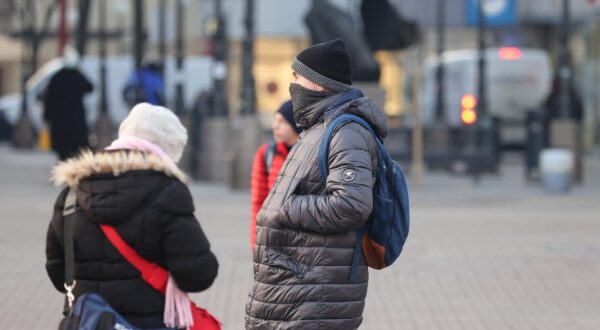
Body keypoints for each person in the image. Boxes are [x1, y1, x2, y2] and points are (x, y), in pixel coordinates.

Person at [245, 39, 388, 329]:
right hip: (294, 284)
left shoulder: (346, 133)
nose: (292, 84)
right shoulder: (317, 127)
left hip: (314, 291)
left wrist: (286, 208)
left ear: (319, 83)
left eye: (298, 76)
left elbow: (351, 204)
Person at [46, 103, 219, 328]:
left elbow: (59, 273)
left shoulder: (72, 194)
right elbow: (197, 274)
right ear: (167, 150)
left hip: (86, 322)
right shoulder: (168, 193)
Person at [250, 100, 301, 250]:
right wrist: (256, 240)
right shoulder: (266, 154)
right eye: (274, 120)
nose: (274, 126)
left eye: (281, 121)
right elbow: (258, 202)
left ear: (296, 124)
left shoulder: (310, 156)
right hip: (273, 238)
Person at [43, 56, 93, 160]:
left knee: (62, 154)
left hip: (60, 123)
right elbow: (90, 87)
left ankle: (64, 172)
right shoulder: (77, 76)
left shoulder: (56, 77)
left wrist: (47, 117)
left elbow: (48, 99)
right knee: (76, 153)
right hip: (76, 123)